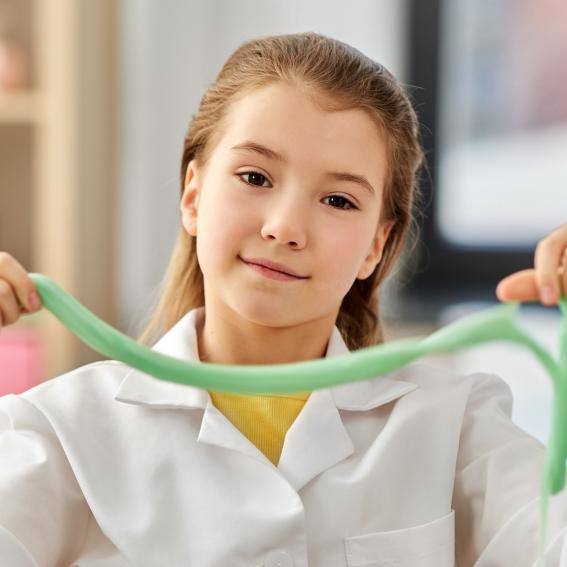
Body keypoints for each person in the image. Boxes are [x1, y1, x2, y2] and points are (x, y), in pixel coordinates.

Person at [0, 32, 566, 567]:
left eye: (338, 200)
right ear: (192, 196)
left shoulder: (456, 422)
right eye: (255, 176)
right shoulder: (58, 431)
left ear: (377, 244)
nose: (285, 227)